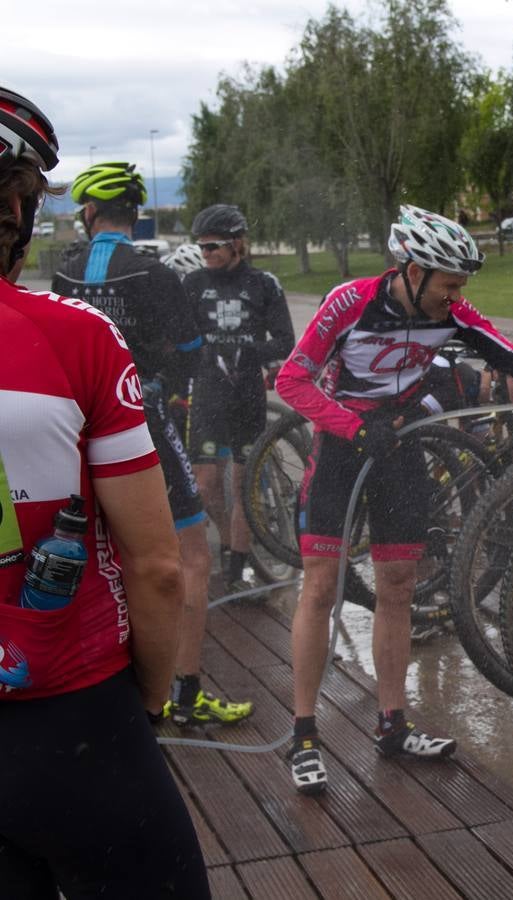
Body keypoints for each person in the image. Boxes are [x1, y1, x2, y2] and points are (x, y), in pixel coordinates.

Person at [276, 204, 513, 795]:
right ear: (412, 269)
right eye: (449, 284)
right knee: (321, 587)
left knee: (397, 586)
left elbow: (509, 353)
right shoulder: (349, 302)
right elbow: (291, 381)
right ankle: (304, 735)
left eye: (460, 287)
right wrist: (351, 426)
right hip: (341, 451)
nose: (456, 296)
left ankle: (393, 724)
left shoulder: (449, 309)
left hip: (400, 451)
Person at [0, 85, 209, 898]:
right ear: (17, 211)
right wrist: (148, 703)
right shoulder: (74, 335)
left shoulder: (73, 285)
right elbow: (157, 566)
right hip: (67, 713)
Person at [52, 163, 253, 727]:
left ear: (90, 213)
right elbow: (191, 351)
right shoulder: (154, 273)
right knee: (188, 555)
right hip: (142, 422)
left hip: (78, 428)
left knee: (99, 549)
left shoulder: (66, 271)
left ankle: (98, 679)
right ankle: (181, 692)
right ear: (134, 214)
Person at [182, 204, 295, 594]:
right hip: (209, 396)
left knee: (243, 485)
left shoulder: (264, 284)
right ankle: (229, 544)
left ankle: (237, 567)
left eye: (214, 246)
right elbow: (181, 340)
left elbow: (285, 341)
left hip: (247, 395)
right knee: (205, 483)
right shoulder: (193, 284)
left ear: (236, 244)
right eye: (202, 247)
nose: (207, 253)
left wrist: (252, 353)